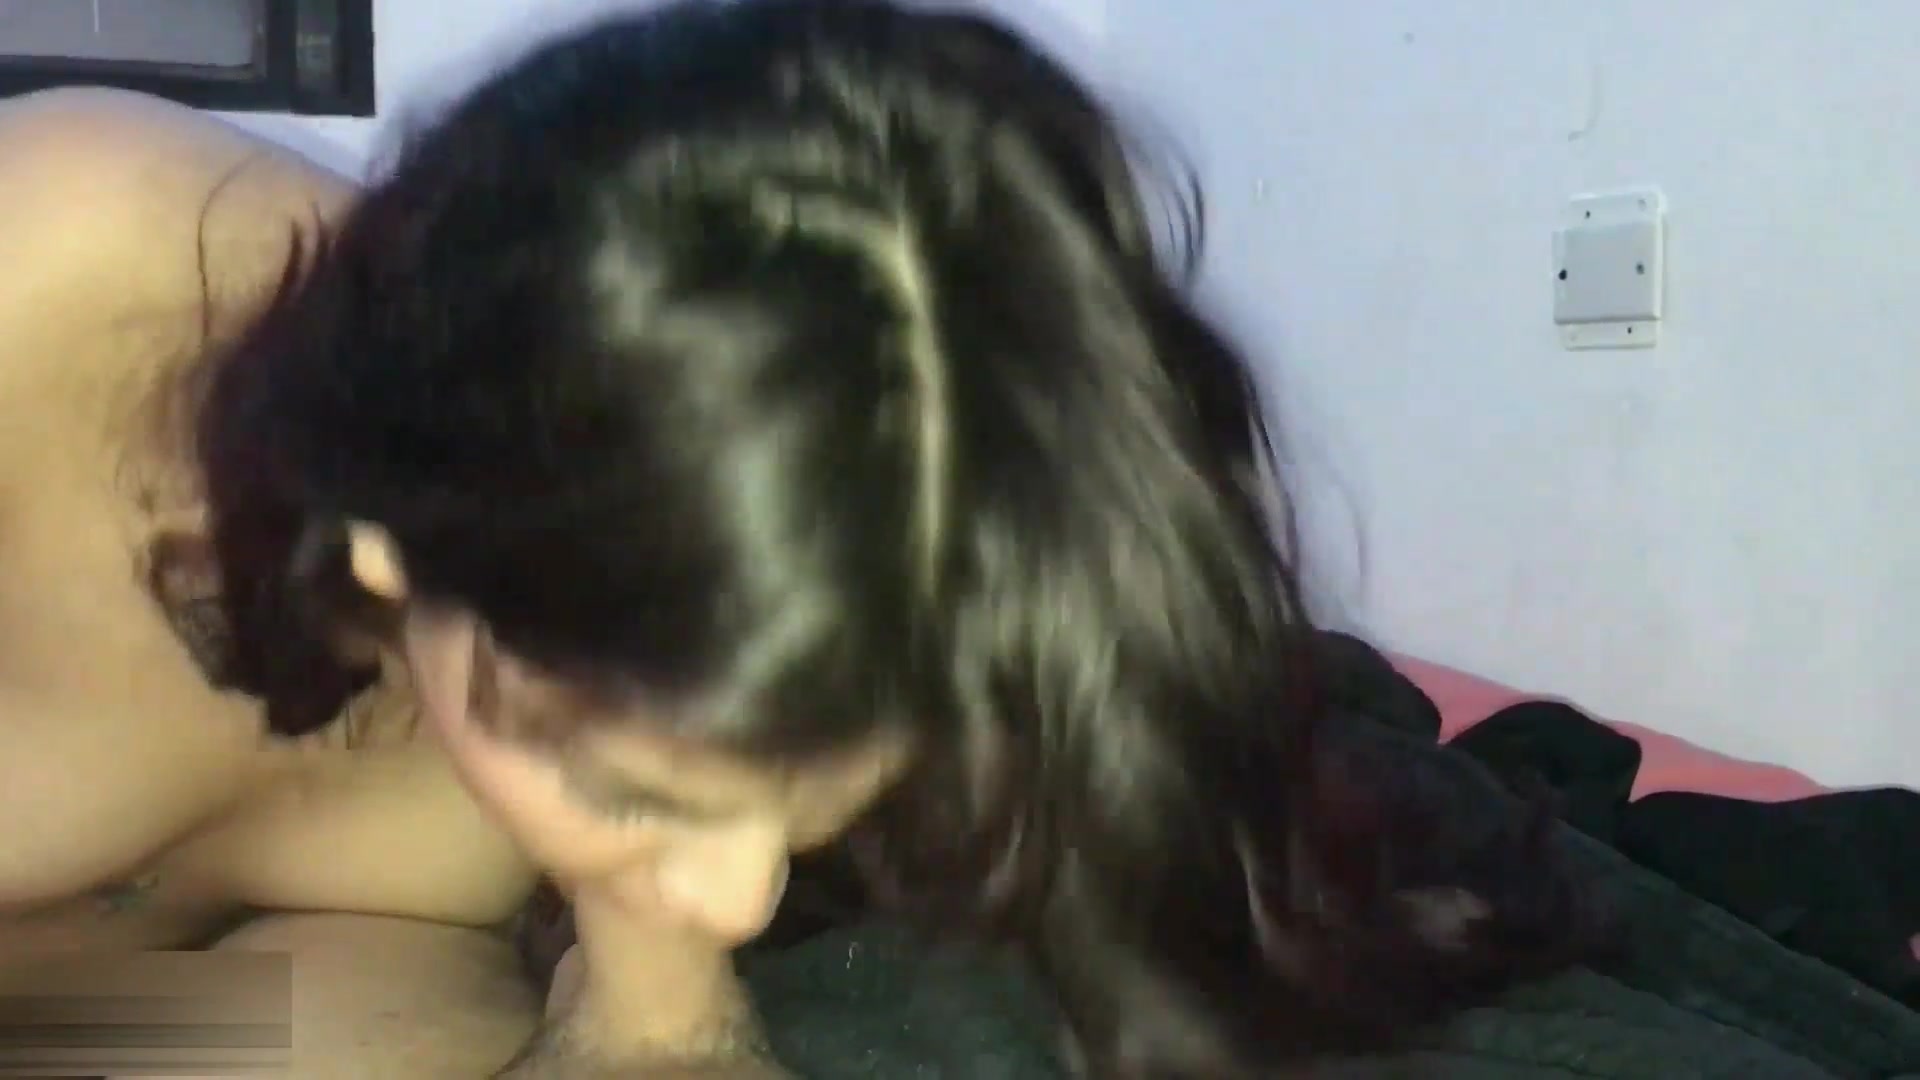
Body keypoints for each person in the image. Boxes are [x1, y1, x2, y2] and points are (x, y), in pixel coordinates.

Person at [2, 0, 1596, 1076]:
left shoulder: (724, 572)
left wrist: (652, 992)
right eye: (652, 797)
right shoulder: (53, 269)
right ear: (395, 550)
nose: (737, 903)